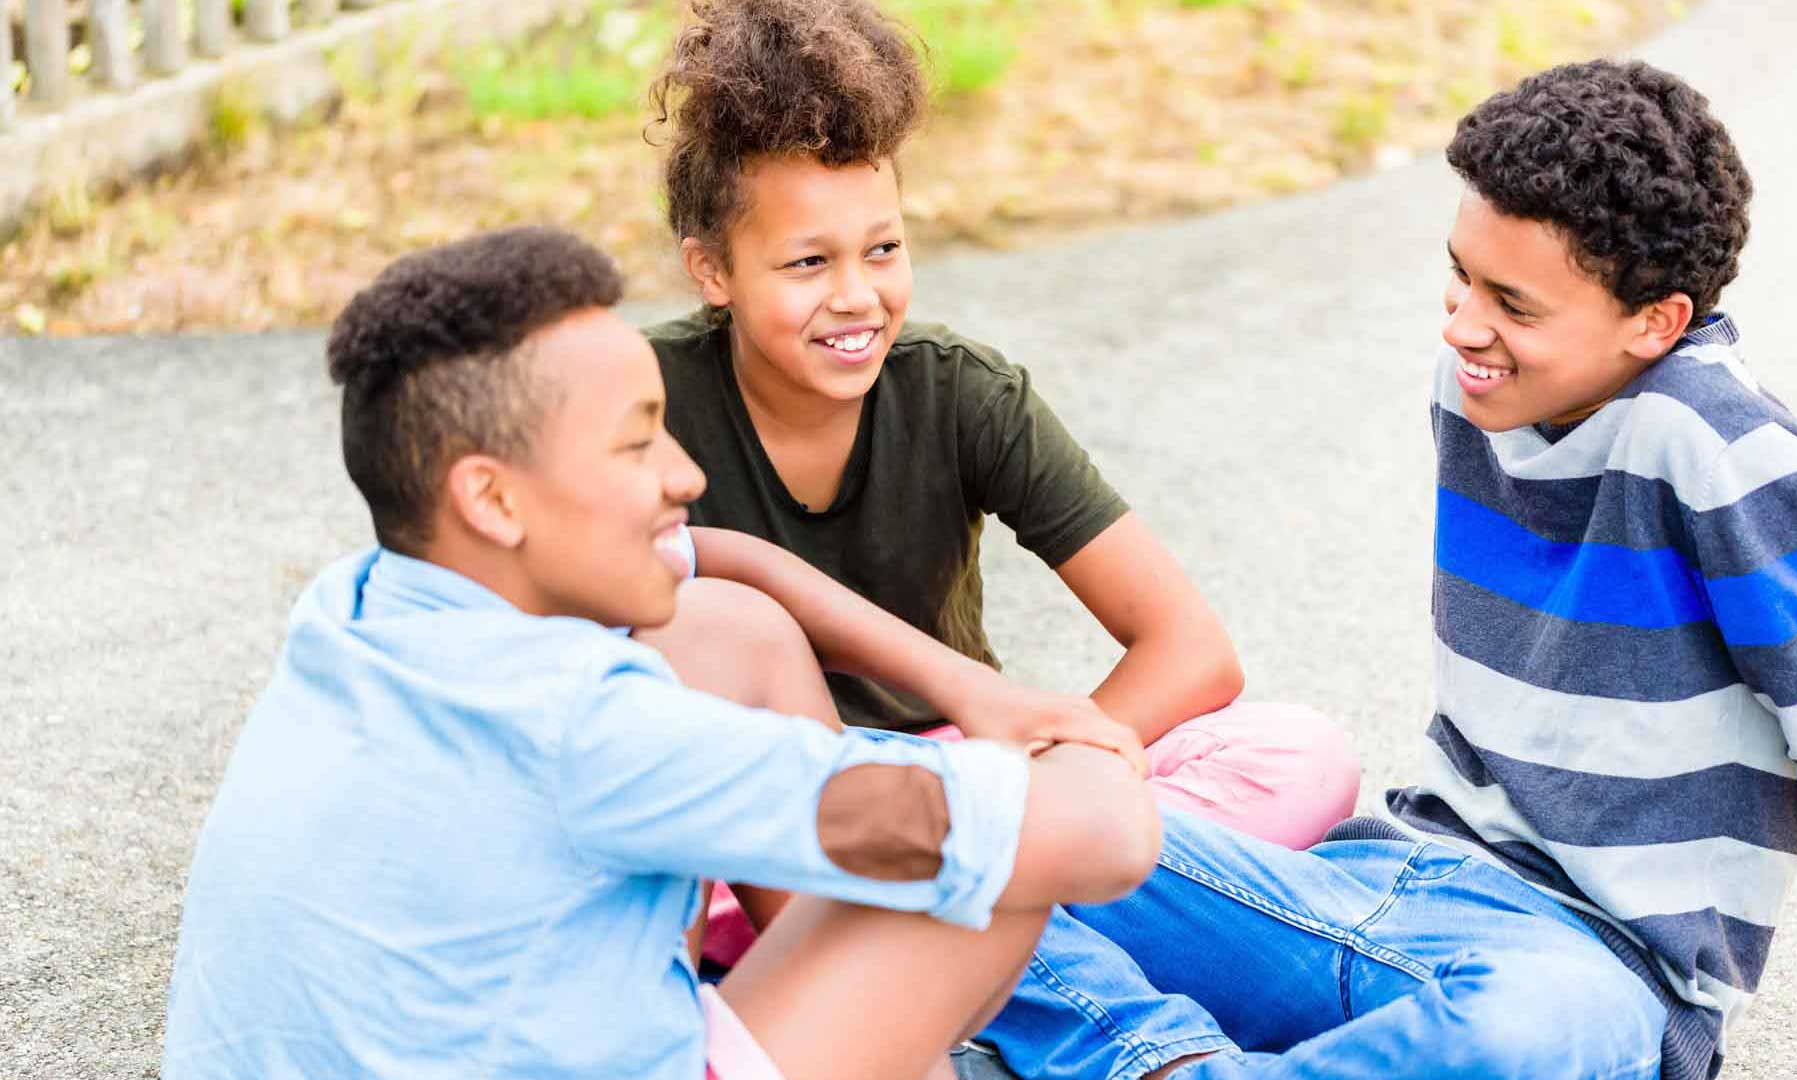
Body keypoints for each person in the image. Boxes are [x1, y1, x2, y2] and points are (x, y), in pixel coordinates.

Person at [963, 58, 1797, 1080]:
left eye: (1514, 304)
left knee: (1509, 1043)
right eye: (1460, 276)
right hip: (1382, 887)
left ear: (1655, 321)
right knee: (977, 825)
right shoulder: (1476, 384)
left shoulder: (1728, 454)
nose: (1463, 326)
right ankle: (1162, 1060)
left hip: (1594, 967)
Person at [160, 226, 1165, 1080]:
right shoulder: (590, 727)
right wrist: (1068, 754)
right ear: (493, 498)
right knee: (998, 858)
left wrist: (964, 687)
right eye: (638, 442)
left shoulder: (355, 610)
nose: (684, 474)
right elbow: (1102, 837)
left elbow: (715, 566)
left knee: (724, 627)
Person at [638, 0, 1361, 961]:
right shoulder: (637, 403)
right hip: (775, 821)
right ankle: (1020, 926)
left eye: (883, 249)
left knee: (1298, 757)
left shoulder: (960, 391)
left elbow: (1192, 651)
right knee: (651, 858)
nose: (857, 296)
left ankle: (964, 931)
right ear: (712, 270)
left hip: (964, 773)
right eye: (809, 262)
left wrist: (1032, 778)